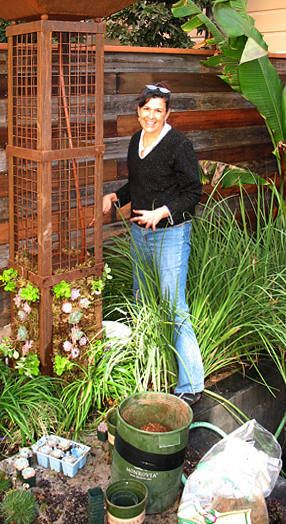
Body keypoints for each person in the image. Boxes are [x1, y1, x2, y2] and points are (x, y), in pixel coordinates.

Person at [103, 83, 204, 406]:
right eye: (146, 109)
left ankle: (190, 386)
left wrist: (163, 212)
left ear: (167, 113)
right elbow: (138, 182)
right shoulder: (137, 141)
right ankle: (148, 368)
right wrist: (116, 196)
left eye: (158, 110)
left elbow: (193, 193)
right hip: (139, 233)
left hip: (171, 235)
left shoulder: (179, 145)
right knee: (142, 300)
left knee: (175, 307)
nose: (151, 115)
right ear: (138, 111)